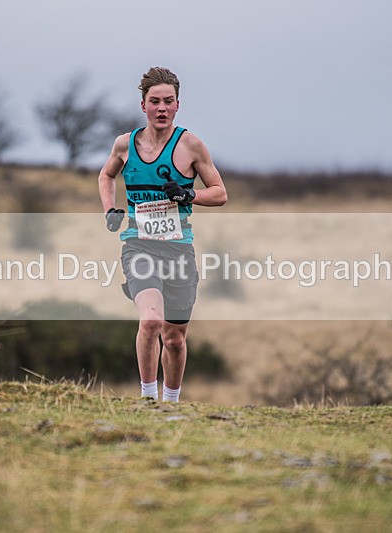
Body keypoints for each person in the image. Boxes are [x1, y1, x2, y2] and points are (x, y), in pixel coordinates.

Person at [98, 67, 227, 403]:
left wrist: (189, 195)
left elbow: (219, 192)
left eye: (168, 101)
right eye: (154, 101)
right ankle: (147, 399)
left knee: (174, 338)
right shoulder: (125, 145)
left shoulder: (191, 145)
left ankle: (171, 404)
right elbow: (106, 177)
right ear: (143, 105)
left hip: (179, 252)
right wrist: (110, 209)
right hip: (138, 246)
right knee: (151, 321)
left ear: (177, 105)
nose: (161, 108)